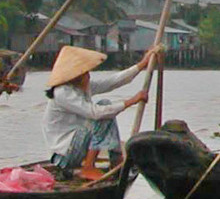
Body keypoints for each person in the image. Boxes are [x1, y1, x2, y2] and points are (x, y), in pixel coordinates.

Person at [42, 44, 156, 175]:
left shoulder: (79, 87)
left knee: (105, 105)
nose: (88, 76)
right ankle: (88, 167)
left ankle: (116, 159)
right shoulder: (62, 92)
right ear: (75, 76)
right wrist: (132, 101)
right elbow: (95, 113)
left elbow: (112, 82)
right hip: (64, 156)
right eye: (85, 73)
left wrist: (141, 65)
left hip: (76, 147)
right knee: (101, 114)